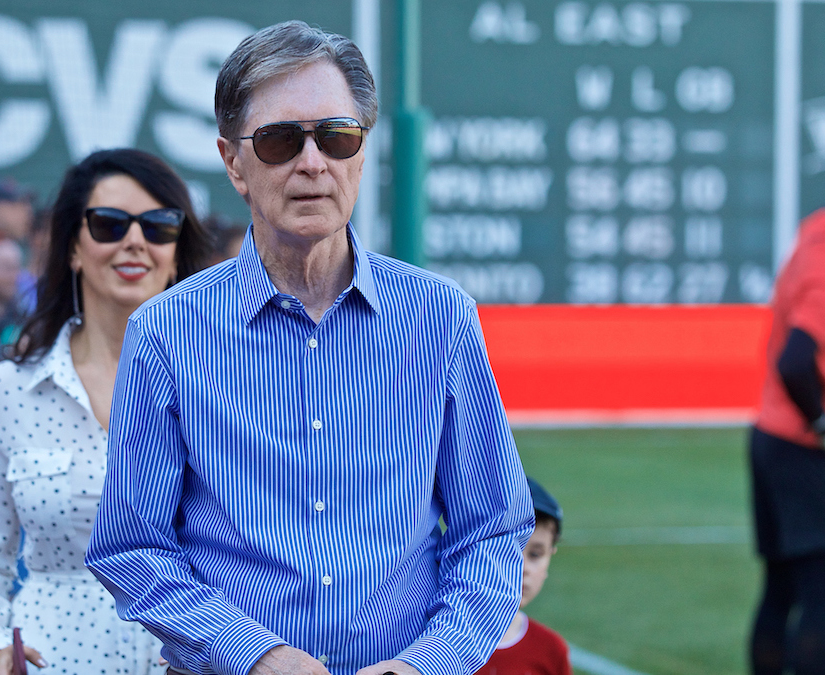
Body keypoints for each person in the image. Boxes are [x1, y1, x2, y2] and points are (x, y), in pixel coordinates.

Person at [86, 20, 533, 675]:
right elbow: (133, 546)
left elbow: (492, 529)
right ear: (233, 162)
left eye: (336, 136)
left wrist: (427, 664)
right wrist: (254, 654)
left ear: (361, 151)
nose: (313, 162)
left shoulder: (440, 317)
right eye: (278, 140)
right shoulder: (166, 332)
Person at [0, 148, 212, 675]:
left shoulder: (230, 383)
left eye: (159, 225)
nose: (135, 241)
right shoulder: (10, 389)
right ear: (72, 246)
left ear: (177, 249)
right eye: (110, 224)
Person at [748, 207, 825, 675]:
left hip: (768, 437)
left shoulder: (822, 231)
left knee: (780, 587)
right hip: (804, 450)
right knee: (821, 592)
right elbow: (795, 361)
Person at [475, 478, 571, 675]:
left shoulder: (551, 649)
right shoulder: (435, 643)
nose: (522, 567)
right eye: (508, 552)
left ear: (550, 555)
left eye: (535, 554)